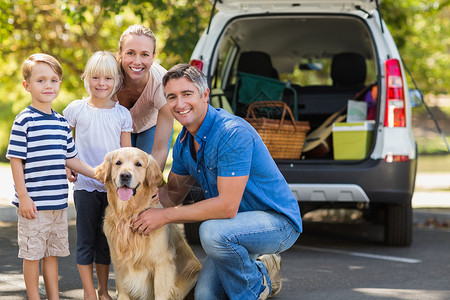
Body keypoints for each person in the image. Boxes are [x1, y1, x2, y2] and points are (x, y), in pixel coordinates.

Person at [132, 64, 302, 300]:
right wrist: (136, 205)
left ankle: (250, 290)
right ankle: (263, 271)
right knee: (205, 296)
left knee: (211, 231)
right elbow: (171, 195)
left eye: (187, 94)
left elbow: (226, 206)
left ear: (204, 95)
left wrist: (164, 216)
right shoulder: (183, 144)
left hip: (275, 222)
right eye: (172, 97)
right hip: (231, 227)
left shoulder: (232, 133)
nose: (179, 104)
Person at [6, 53, 96, 300]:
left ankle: (53, 297)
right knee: (32, 255)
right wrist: (23, 196)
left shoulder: (61, 122)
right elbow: (15, 160)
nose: (48, 86)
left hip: (58, 205)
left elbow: (71, 159)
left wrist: (98, 173)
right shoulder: (24, 120)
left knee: (51, 254)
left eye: (54, 80)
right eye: (41, 80)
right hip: (34, 206)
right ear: (27, 85)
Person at [63, 51, 132, 300]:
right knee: (86, 240)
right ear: (86, 78)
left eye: (108, 78)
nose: (101, 83)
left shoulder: (122, 114)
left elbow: (127, 154)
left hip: (113, 190)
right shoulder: (75, 109)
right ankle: (89, 292)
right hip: (84, 186)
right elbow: (63, 143)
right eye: (95, 77)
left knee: (106, 243)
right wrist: (67, 165)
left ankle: (104, 290)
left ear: (117, 82)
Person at [116, 24, 173, 170]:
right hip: (117, 126)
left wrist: (152, 183)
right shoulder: (105, 77)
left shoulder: (162, 83)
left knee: (144, 172)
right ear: (120, 53)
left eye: (145, 54)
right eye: (130, 53)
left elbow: (160, 149)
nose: (137, 61)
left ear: (153, 57)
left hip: (150, 126)